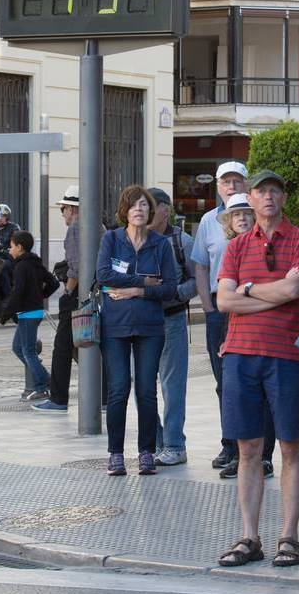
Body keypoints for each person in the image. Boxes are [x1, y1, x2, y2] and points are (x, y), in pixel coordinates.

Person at [216, 170, 299, 569]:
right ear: (250, 199)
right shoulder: (237, 245)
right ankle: (249, 537)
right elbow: (223, 301)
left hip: (287, 356)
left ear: (283, 198)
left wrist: (249, 289)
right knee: (248, 449)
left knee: (290, 445)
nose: (268, 197)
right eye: (261, 191)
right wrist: (268, 293)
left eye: (275, 190)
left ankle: (289, 535)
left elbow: (295, 291)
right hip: (240, 355)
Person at [96, 185, 177, 476]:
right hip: (115, 326)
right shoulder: (112, 239)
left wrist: (134, 291)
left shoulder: (160, 244)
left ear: (150, 210)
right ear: (125, 211)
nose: (139, 210)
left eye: (144, 205)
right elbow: (103, 275)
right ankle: (115, 453)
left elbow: (169, 287)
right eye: (133, 205)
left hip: (150, 326)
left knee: (146, 391)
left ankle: (146, 452)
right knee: (118, 389)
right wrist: (144, 280)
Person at [191, 160, 248, 472]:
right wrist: (207, 307)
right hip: (218, 307)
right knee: (223, 381)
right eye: (226, 181)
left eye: (237, 181)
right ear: (218, 186)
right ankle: (229, 443)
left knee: (245, 380)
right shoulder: (208, 222)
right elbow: (200, 264)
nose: (232, 186)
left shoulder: (253, 220)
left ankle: (249, 448)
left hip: (250, 306)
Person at [216, 193, 276, 481]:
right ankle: (240, 456)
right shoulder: (231, 249)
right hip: (237, 335)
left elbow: (279, 291)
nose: (241, 218)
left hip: (269, 336)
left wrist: (248, 293)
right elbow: (225, 301)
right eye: (235, 214)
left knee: (266, 400)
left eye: (245, 213)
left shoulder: (265, 246)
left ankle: (264, 458)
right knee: (236, 397)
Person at [147, 187, 196, 466]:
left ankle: (175, 445)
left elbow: (197, 279)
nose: (145, 213)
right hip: (140, 321)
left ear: (166, 210)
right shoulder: (134, 240)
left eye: (152, 207)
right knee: (141, 385)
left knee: (172, 386)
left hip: (172, 319)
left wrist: (176, 293)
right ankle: (156, 442)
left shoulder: (182, 241)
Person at [34, 185, 81, 413]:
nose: (62, 213)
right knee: (90, 346)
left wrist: (67, 291)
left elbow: (76, 267)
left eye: (63, 208)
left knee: (62, 347)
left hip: (76, 297)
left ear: (72, 209)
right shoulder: (97, 226)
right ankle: (103, 395)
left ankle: (58, 398)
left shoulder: (74, 229)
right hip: (94, 295)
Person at [0, 231, 58, 402]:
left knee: (28, 351)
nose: (9, 250)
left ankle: (43, 386)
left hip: (28, 313)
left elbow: (17, 293)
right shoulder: (35, 264)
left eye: (11, 246)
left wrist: (6, 314)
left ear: (19, 247)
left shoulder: (21, 267)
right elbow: (53, 283)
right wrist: (41, 296)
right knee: (18, 348)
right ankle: (46, 379)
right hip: (34, 311)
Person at [0, 204, 20, 299]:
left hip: (8, 257)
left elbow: (16, 244)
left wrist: (7, 248)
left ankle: (8, 297)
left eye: (3, 216)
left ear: (7, 217)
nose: (0, 218)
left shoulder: (13, 228)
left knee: (2, 266)